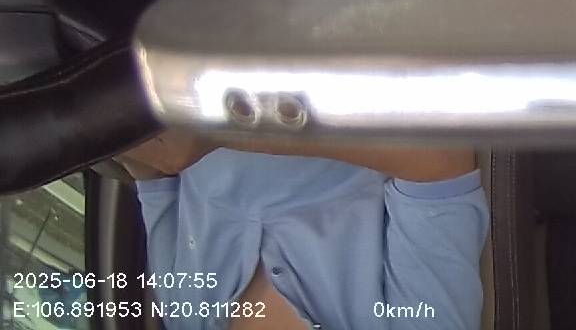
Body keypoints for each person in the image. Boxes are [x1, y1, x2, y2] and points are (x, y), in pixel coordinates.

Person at [117, 132, 487, 329]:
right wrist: (218, 128)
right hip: (332, 49)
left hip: (177, 49)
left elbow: (151, 175)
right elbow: (438, 157)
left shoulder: (184, 316)